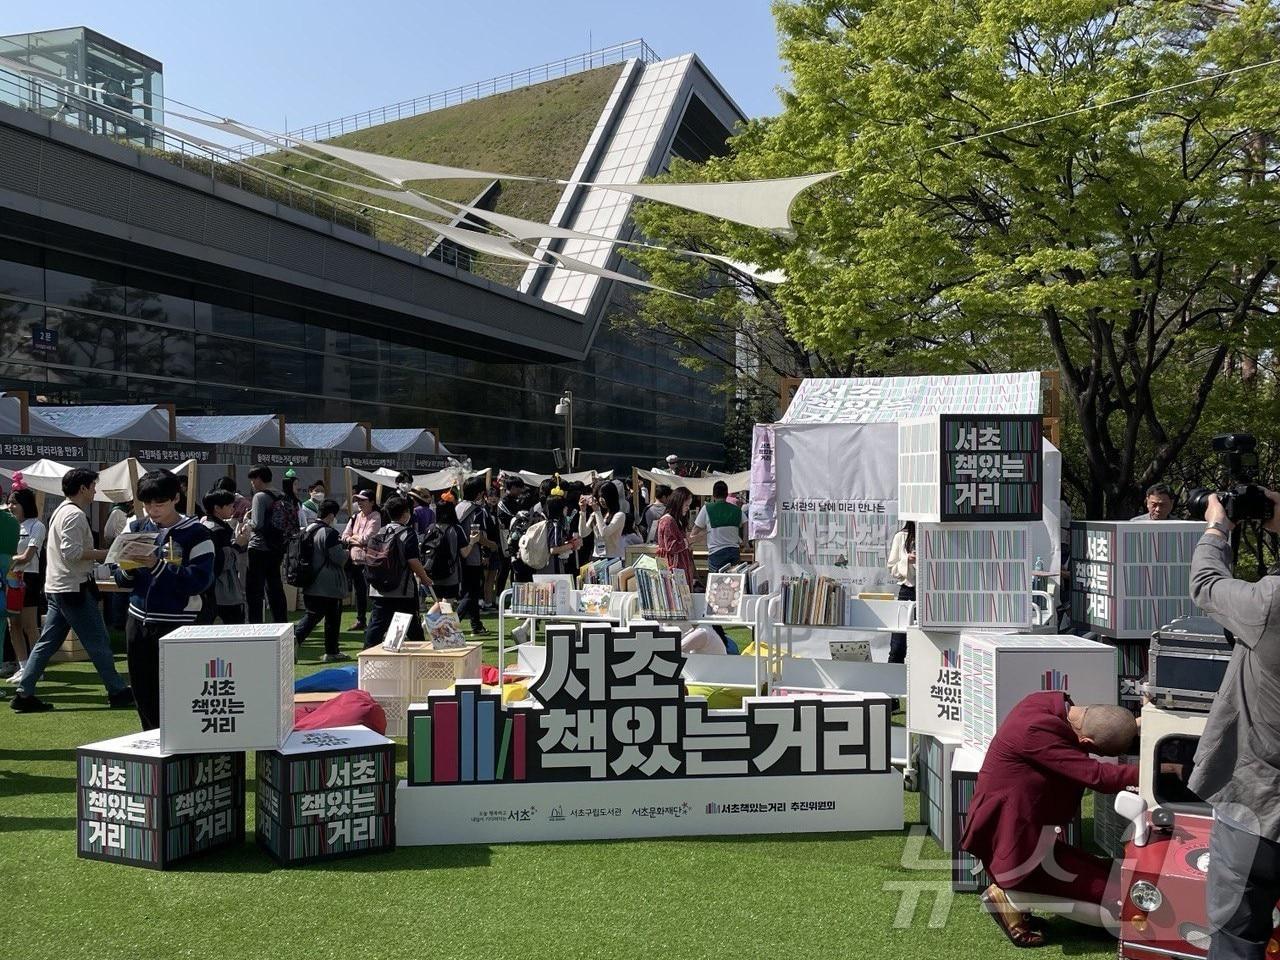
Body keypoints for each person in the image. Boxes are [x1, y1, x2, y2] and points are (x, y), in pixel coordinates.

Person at [960, 692, 1138, 947]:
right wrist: (1154, 772)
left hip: (1029, 836)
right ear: (1085, 740)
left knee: (1118, 874)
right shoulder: (1035, 732)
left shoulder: (1046, 704)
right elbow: (1096, 775)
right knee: (1124, 898)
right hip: (1016, 847)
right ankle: (1009, 895)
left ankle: (1014, 892)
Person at [1185, 489, 1280, 960]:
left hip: (1258, 803)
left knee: (1235, 938)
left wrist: (1218, 524)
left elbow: (1205, 581)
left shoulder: (1270, 603)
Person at [12, 468, 133, 714]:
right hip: (72, 588)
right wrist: (109, 554)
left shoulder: (61, 511)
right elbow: (73, 552)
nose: (95, 491)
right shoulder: (74, 515)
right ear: (83, 489)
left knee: (47, 643)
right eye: (93, 486)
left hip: (59, 587)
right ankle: (117, 690)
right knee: (98, 641)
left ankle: (25, 693)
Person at [114, 470, 215, 731]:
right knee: (143, 691)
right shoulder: (135, 527)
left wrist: (157, 566)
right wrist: (128, 569)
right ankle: (151, 746)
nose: (152, 510)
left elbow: (199, 581)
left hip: (178, 624)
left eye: (159, 504)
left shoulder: (197, 533)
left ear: (176, 498)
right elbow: (121, 578)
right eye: (147, 504)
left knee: (180, 693)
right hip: (138, 621)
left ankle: (181, 751)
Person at [364, 495, 432, 649]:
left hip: (378, 589)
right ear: (405, 513)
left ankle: (367, 655)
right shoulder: (407, 533)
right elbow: (413, 560)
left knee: (377, 626)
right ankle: (420, 657)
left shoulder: (380, 531)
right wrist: (425, 577)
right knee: (413, 626)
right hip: (401, 589)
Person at [293, 499, 350, 662]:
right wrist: (348, 551)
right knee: (330, 618)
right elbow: (338, 558)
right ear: (331, 515)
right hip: (328, 583)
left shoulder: (307, 529)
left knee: (313, 614)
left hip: (308, 578)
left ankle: (328, 650)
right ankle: (328, 650)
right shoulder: (329, 533)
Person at [6, 487, 46, 685]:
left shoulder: (36, 526)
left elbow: (27, 556)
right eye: (9, 502)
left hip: (29, 578)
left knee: (30, 625)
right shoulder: (8, 525)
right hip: (8, 577)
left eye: (15, 502)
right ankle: (23, 666)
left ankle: (36, 668)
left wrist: (5, 560)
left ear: (26, 505)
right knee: (13, 624)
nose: (11, 506)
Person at [245, 465, 293, 623]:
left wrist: (247, 520)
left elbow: (257, 524)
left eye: (253, 479)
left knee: (255, 590)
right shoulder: (282, 495)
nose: (252, 483)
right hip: (277, 546)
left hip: (259, 547)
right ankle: (280, 621)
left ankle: (255, 623)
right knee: (274, 585)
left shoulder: (260, 497)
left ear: (259, 478)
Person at [198, 488, 247, 625]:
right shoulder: (218, 531)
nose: (233, 508)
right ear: (217, 508)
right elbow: (223, 562)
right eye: (230, 505)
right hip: (224, 591)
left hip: (209, 591)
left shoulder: (203, 525)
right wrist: (238, 545)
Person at [455, 476, 497, 635]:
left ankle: (476, 625)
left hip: (457, 556)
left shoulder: (457, 507)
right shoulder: (477, 511)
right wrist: (492, 546)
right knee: (471, 593)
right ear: (479, 494)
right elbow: (479, 536)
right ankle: (448, 627)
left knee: (470, 593)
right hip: (472, 556)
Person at [341, 489, 381, 632]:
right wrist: (356, 539)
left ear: (371, 502)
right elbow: (344, 536)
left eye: (363, 500)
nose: (359, 502)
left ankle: (374, 622)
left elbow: (368, 538)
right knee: (359, 592)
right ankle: (361, 620)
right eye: (358, 500)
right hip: (354, 560)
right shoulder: (355, 517)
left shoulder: (376, 516)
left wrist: (354, 538)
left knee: (373, 593)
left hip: (370, 561)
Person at [695, 480, 745, 572]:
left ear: (713, 495)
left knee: (716, 583)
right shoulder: (737, 510)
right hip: (734, 551)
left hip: (716, 552)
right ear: (726, 495)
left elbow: (695, 531)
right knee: (733, 583)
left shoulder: (707, 508)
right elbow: (746, 522)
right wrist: (744, 542)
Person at [886, 520, 916, 664]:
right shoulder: (901, 536)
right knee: (898, 644)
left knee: (928, 642)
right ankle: (890, 683)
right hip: (907, 591)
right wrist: (906, 560)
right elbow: (892, 568)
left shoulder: (934, 533)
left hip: (930, 592)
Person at [656, 486, 696, 587]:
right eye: (686, 505)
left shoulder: (675, 520)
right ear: (678, 503)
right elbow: (671, 547)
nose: (688, 508)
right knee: (676, 599)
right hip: (673, 568)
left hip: (679, 568)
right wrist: (690, 541)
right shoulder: (668, 521)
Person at [428, 499, 466, 599]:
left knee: (438, 603)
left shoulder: (431, 528)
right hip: (451, 574)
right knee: (446, 606)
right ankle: (430, 615)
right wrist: (473, 541)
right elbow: (464, 553)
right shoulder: (456, 529)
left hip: (432, 571)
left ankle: (432, 615)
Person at [579, 481, 625, 561]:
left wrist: (597, 511)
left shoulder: (619, 515)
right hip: (596, 556)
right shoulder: (596, 514)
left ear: (611, 496)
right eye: (599, 496)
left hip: (613, 557)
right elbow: (583, 533)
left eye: (604, 496)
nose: (601, 500)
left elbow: (604, 533)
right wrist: (583, 512)